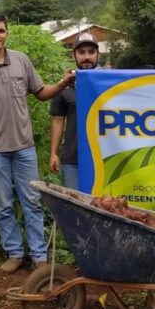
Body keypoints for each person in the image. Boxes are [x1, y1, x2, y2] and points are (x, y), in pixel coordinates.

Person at [0, 13, 75, 273]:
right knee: (4, 203)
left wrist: (63, 84)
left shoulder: (21, 60)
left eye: (0, 30)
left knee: (32, 200)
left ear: (7, 33)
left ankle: (39, 256)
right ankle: (14, 253)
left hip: (24, 147)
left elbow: (41, 93)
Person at [49, 31, 100, 190]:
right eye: (82, 52)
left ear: (98, 55)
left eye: (91, 52)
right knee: (75, 205)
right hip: (72, 159)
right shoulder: (64, 87)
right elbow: (58, 121)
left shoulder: (110, 86)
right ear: (74, 55)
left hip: (103, 159)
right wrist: (54, 153)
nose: (87, 57)